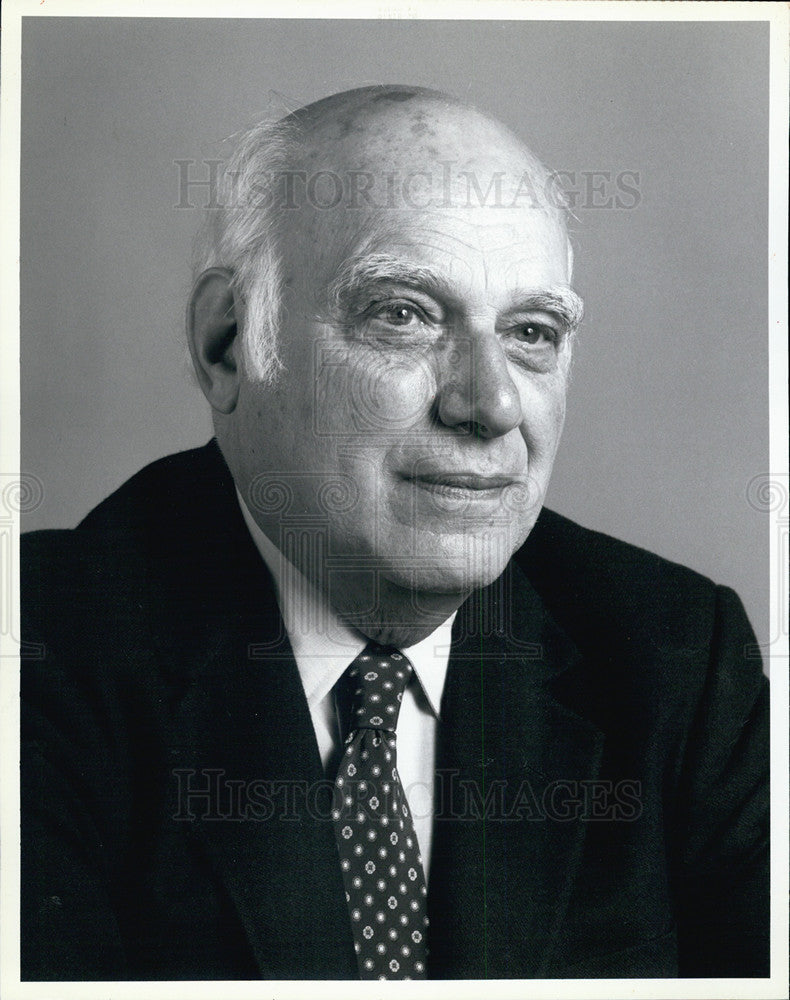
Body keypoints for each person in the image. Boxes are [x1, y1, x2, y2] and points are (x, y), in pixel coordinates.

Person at [21, 85, 768, 981]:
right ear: (229, 346)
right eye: (404, 314)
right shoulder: (41, 654)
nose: (489, 405)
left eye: (532, 333)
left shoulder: (678, 656)